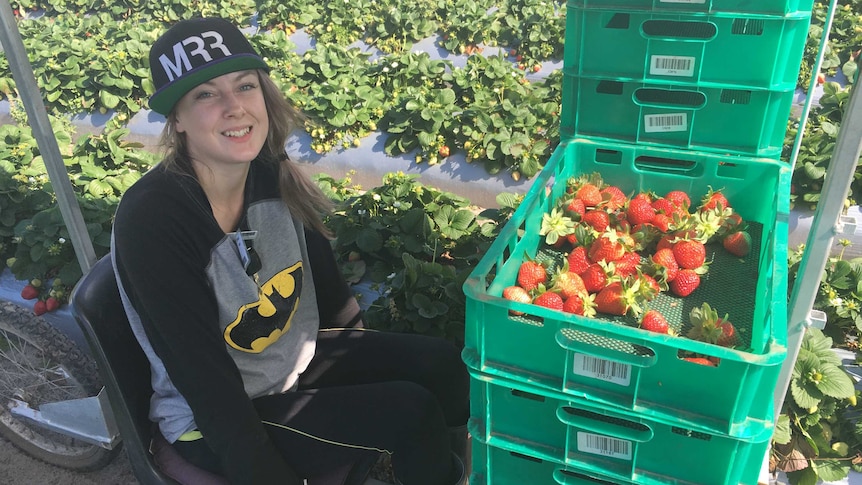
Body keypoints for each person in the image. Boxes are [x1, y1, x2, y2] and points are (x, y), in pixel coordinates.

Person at [111, 17, 469, 485]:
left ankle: (454, 469)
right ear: (176, 118)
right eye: (205, 94)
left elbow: (329, 293)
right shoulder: (155, 220)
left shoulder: (267, 171)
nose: (234, 107)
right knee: (410, 412)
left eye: (244, 86)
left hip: (283, 366)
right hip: (214, 420)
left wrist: (359, 363)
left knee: (444, 364)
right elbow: (203, 381)